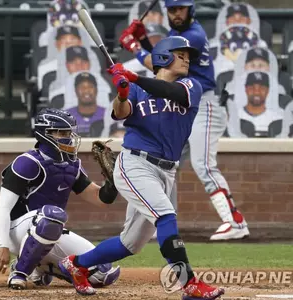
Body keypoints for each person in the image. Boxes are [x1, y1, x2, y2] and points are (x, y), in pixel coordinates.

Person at [58, 36, 225, 299]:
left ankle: (75, 264)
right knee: (166, 217)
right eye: (180, 53)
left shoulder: (191, 85)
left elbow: (170, 92)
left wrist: (133, 78)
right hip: (136, 163)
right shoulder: (137, 89)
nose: (186, 58)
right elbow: (121, 112)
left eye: (187, 54)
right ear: (162, 56)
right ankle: (190, 284)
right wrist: (123, 92)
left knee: (130, 244)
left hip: (167, 170)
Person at [119, 0, 249, 241]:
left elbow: (155, 64)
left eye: (180, 8)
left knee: (203, 164)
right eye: (171, 9)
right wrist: (146, 41)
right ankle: (164, 222)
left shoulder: (194, 35)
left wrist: (135, 47)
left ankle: (235, 222)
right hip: (184, 107)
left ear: (191, 9)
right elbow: (163, 59)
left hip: (203, 103)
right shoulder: (178, 33)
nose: (176, 13)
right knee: (168, 162)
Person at [0, 107, 120, 290]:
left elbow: (100, 199)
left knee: (101, 272)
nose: (68, 136)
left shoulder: (72, 164)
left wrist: (112, 183)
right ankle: (19, 272)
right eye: (61, 132)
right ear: (45, 134)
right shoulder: (27, 162)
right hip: (18, 230)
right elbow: (3, 208)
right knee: (52, 216)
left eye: (69, 132)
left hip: (51, 228)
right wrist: (3, 244)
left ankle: (43, 267)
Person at [67, 72, 106, 137]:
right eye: (81, 87)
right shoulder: (66, 116)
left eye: (90, 87)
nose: (86, 90)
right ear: (75, 91)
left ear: (96, 90)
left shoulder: (107, 115)